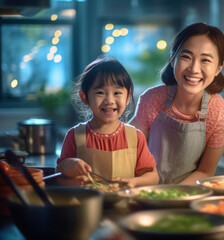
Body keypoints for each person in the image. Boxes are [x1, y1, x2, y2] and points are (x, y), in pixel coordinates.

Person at [131, 22, 224, 184]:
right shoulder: (152, 99)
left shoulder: (222, 116)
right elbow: (129, 150)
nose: (194, 68)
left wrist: (171, 195)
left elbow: (205, 171)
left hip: (189, 197)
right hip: (144, 190)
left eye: (205, 60)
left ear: (218, 68)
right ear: (173, 60)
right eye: (186, 57)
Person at [56, 55, 159, 188]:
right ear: (84, 97)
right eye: (100, 92)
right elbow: (59, 176)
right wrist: (67, 167)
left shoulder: (136, 137)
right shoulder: (74, 136)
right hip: (88, 206)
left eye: (117, 93)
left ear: (128, 97)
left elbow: (153, 177)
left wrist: (134, 182)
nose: (109, 100)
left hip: (126, 205)